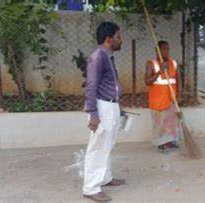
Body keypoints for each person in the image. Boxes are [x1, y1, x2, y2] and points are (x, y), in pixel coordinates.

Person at [82, 22, 125, 202]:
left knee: (108, 144)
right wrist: (93, 113)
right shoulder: (98, 57)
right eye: (118, 37)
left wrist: (118, 106)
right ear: (108, 39)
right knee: (98, 147)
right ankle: (91, 187)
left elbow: (110, 85)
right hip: (102, 107)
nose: (120, 40)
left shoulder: (108, 56)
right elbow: (91, 86)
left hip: (111, 106)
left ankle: (105, 178)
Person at [144, 40, 182, 152]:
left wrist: (179, 94)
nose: (166, 51)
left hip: (171, 98)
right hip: (158, 100)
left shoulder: (174, 63)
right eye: (164, 48)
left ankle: (170, 141)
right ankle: (160, 144)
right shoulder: (151, 64)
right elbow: (147, 81)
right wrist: (159, 72)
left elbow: (178, 79)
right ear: (158, 50)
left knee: (171, 121)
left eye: (168, 48)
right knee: (159, 123)